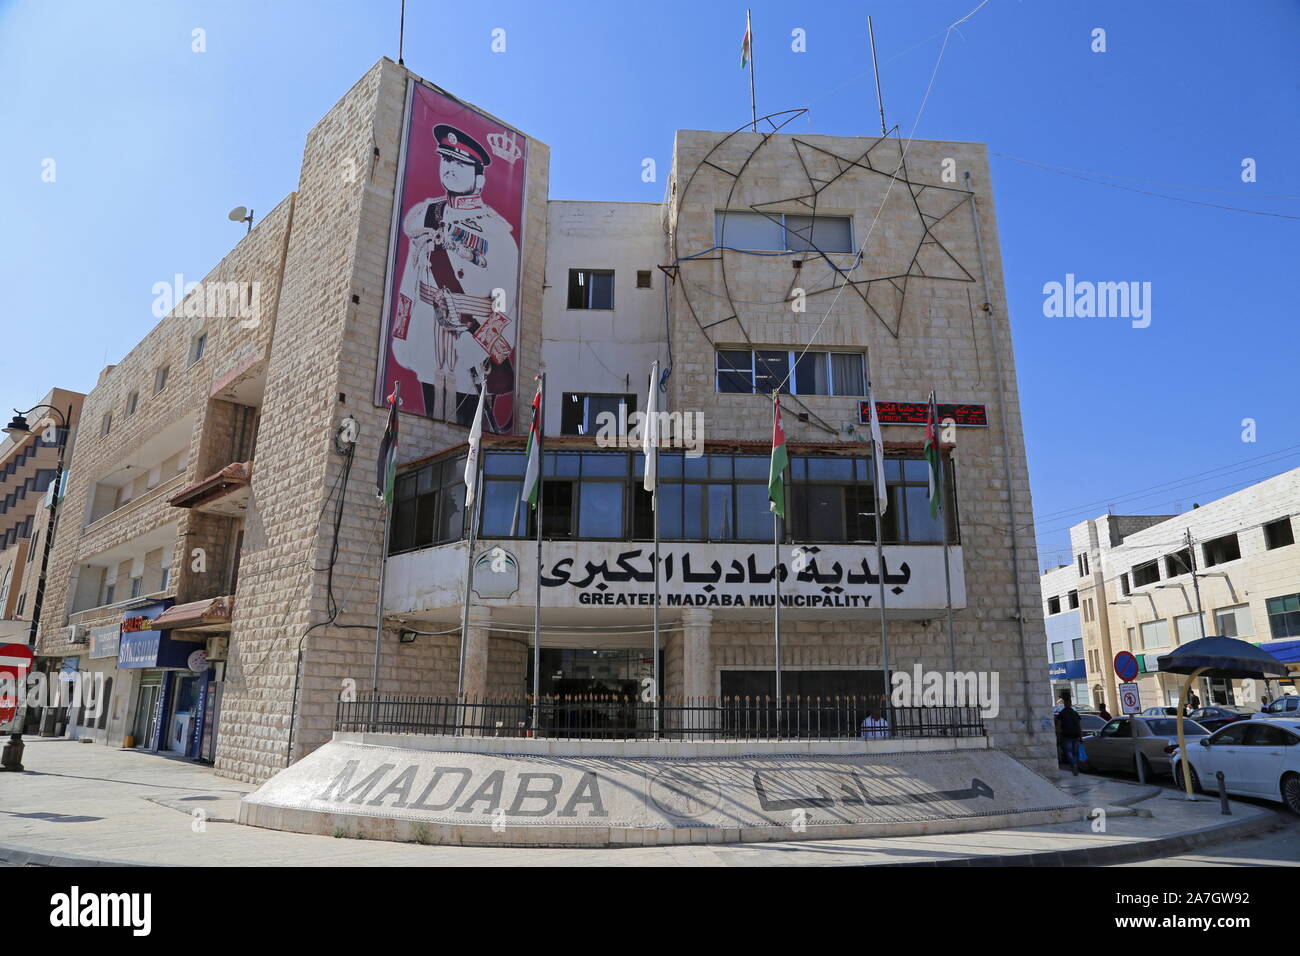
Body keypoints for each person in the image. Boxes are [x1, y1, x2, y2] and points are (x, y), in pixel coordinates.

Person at [392, 123, 520, 430]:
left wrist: (479, 347)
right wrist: (402, 335)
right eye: (446, 160)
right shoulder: (424, 215)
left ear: (479, 176)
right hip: (426, 336)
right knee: (427, 420)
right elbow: (410, 282)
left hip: (469, 340)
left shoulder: (495, 230)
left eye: (459, 163)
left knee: (467, 433)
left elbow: (504, 300)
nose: (449, 168)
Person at [1057, 690, 1083, 776]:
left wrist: (1058, 735)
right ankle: (1075, 765)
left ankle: (1073, 764)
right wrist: (1081, 737)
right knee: (1075, 753)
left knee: (1068, 752)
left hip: (1066, 736)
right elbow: (1079, 726)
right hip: (1075, 736)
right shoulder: (1075, 713)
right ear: (1071, 703)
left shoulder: (1062, 713)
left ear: (1064, 704)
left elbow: (1059, 726)